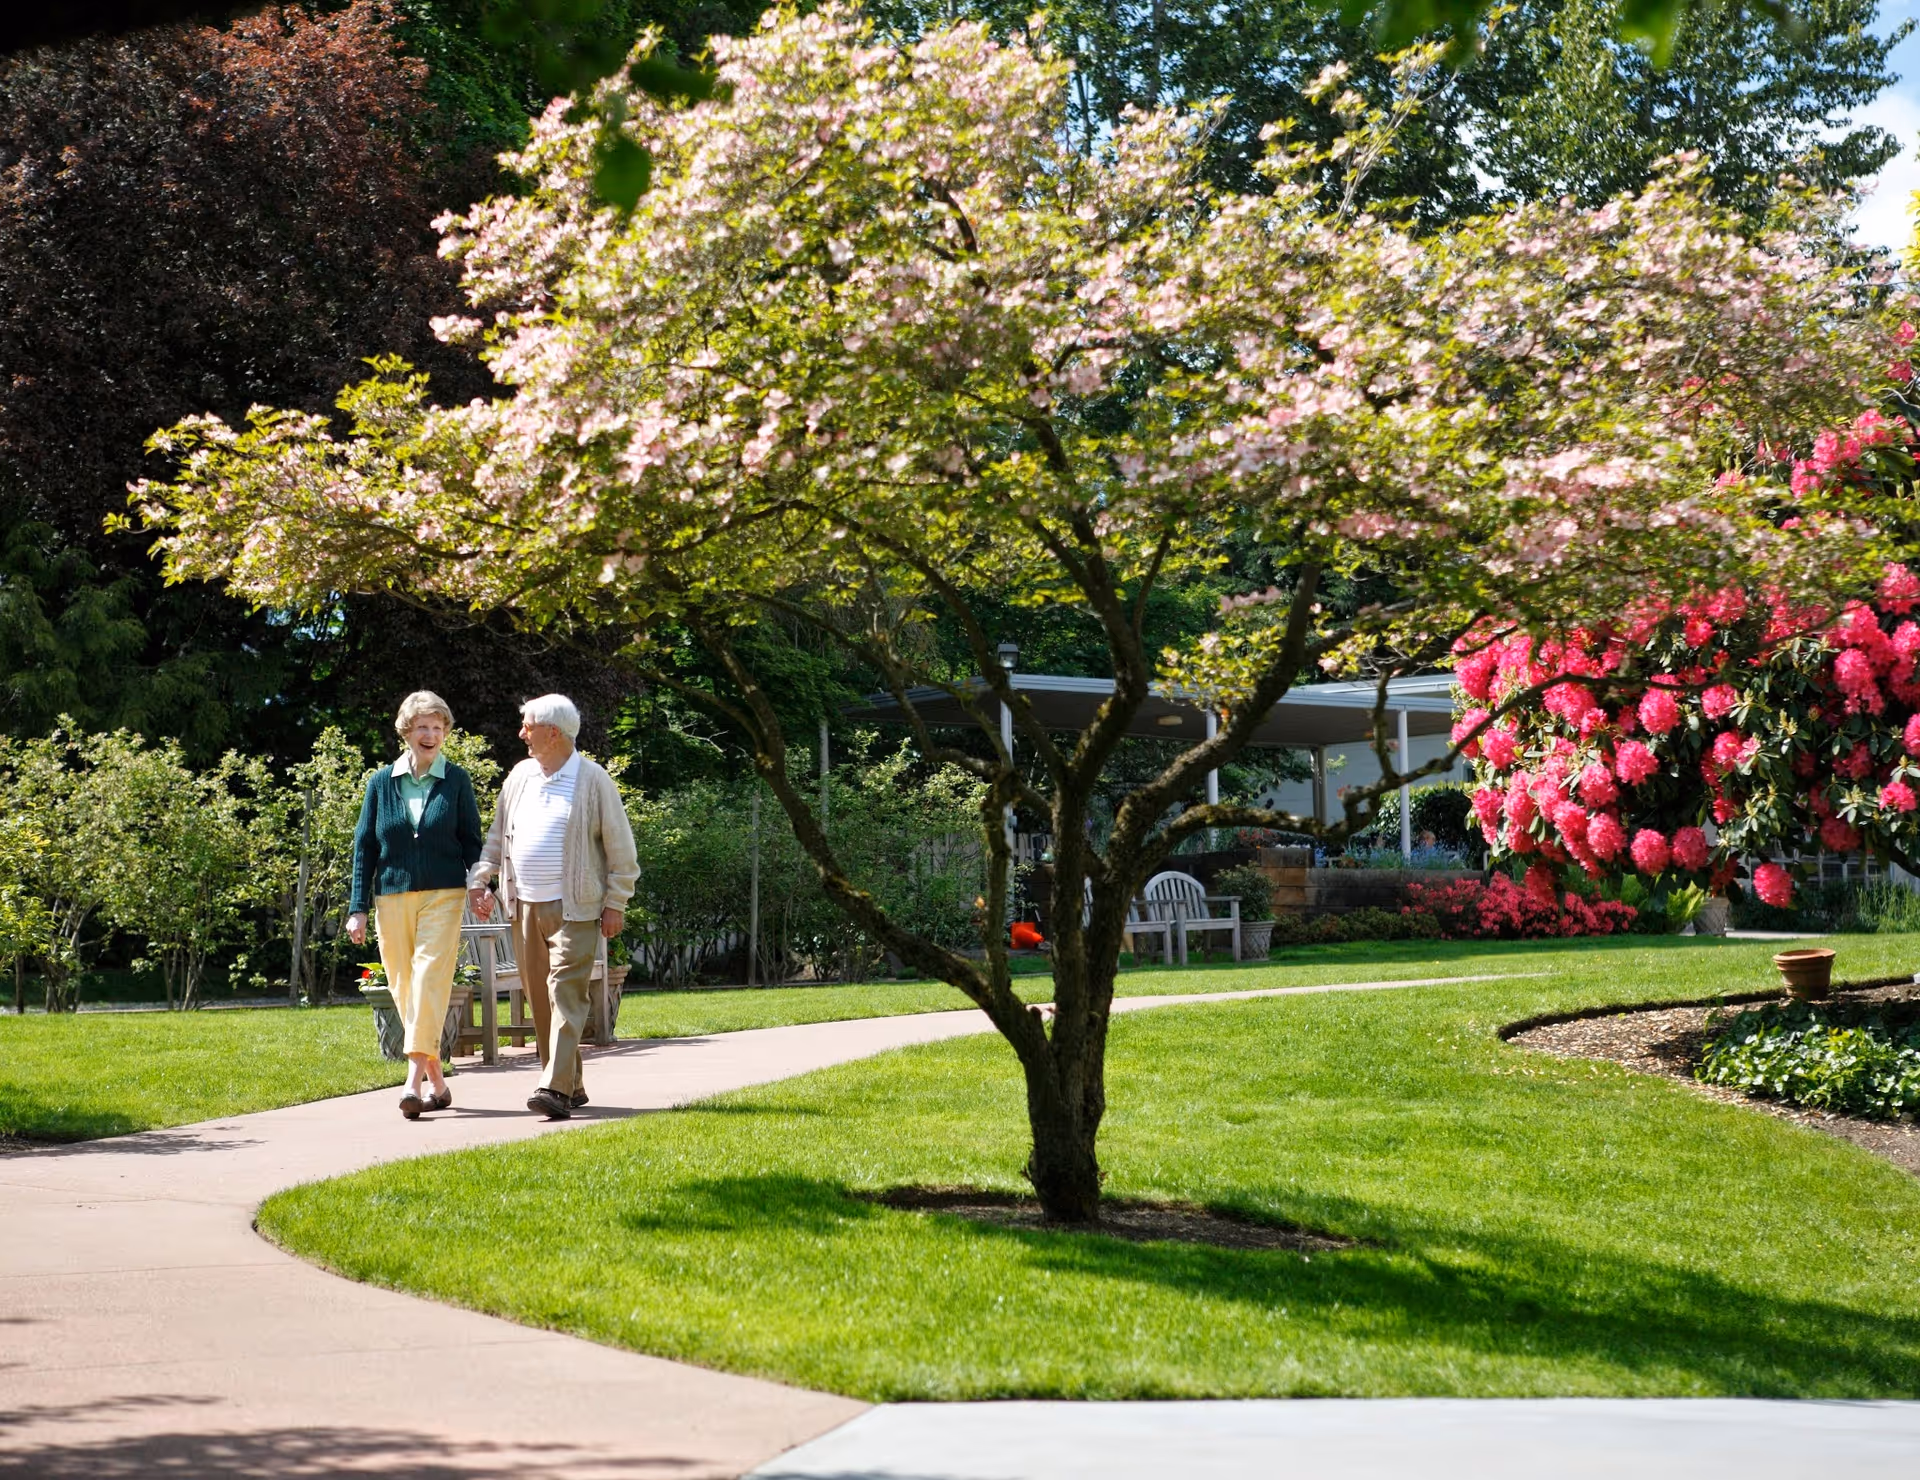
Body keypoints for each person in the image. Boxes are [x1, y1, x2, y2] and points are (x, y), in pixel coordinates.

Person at [469, 695, 638, 1120]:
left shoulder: (594, 780)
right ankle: (571, 1083)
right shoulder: (520, 776)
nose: (520, 733)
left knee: (565, 993)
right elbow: (496, 837)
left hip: (575, 907)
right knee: (540, 1001)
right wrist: (481, 878)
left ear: (553, 733)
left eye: (527, 726)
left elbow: (622, 852)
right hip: (523, 904)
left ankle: (554, 1088)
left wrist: (615, 903)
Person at [346, 691, 485, 1121]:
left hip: (444, 893)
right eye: (422, 727)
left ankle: (412, 1082)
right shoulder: (380, 783)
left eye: (438, 727)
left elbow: (472, 841)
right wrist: (357, 907)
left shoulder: (457, 780)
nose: (431, 735)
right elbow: (364, 847)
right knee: (405, 987)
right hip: (391, 896)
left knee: (427, 979)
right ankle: (439, 1081)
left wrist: (481, 885)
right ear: (407, 731)